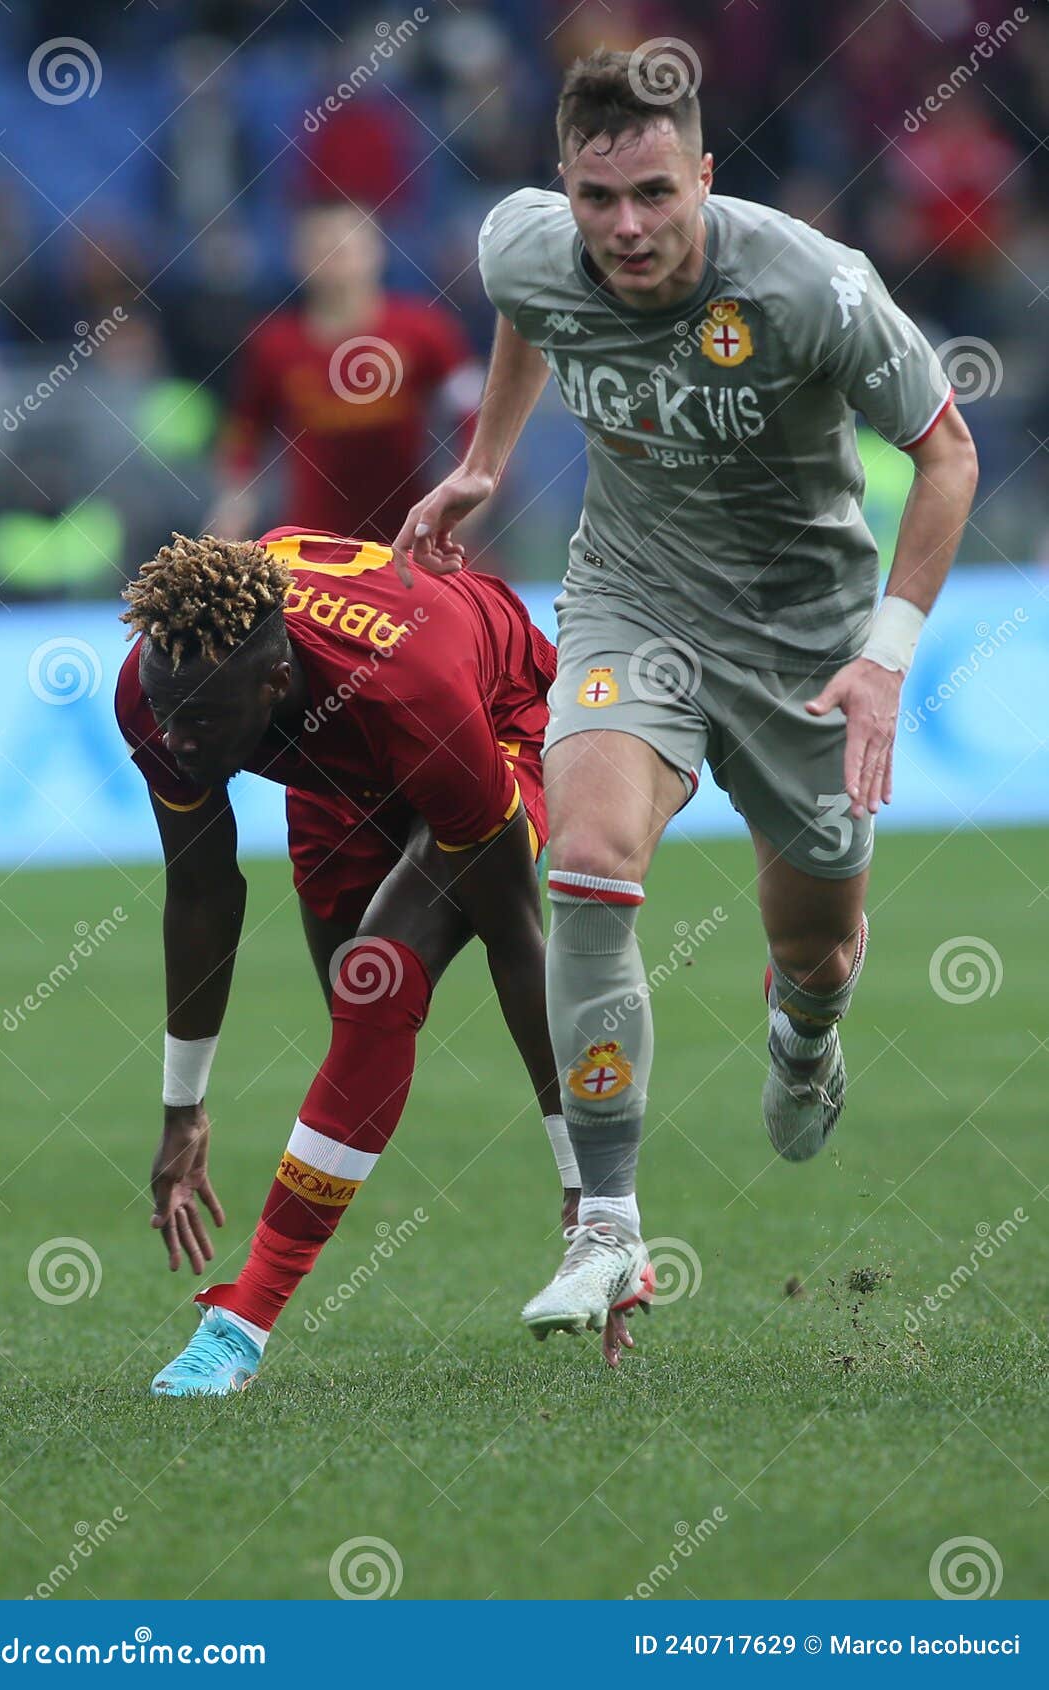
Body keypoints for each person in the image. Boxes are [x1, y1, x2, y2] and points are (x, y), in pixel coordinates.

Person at [394, 49, 979, 1353]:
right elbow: (525, 307)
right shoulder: (524, 247)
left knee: (816, 939)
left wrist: (881, 655)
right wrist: (485, 462)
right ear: (563, 187)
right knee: (590, 862)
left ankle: (803, 1032)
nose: (626, 229)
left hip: (803, 638)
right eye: (597, 200)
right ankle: (604, 1224)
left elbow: (944, 451)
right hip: (630, 598)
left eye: (654, 193)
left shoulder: (810, 287)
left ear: (703, 175)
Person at [115, 527, 641, 1393]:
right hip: (334, 766)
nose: (174, 739)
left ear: (274, 682)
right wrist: (184, 1110)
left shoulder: (414, 693)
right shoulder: (160, 683)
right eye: (166, 712)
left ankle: (239, 1322)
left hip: (493, 713)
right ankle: (250, 1310)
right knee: (353, 1013)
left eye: (199, 719)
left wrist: (590, 1193)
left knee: (375, 980)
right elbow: (203, 893)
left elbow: (515, 931)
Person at [211, 201, 480, 545]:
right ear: (299, 257)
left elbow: (473, 413)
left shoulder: (425, 330)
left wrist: (469, 483)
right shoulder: (273, 344)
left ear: (376, 251)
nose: (335, 261)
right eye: (321, 247)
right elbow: (246, 432)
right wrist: (234, 504)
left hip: (412, 540)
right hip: (311, 546)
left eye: (346, 247)